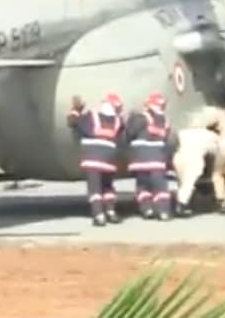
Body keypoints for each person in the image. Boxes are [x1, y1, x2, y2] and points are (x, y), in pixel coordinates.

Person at [68, 93, 125, 226]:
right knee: (107, 187)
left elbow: (72, 122)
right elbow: (121, 138)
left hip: (93, 159)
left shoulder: (92, 116)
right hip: (109, 161)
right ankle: (111, 212)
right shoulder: (118, 122)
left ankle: (99, 215)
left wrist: (76, 109)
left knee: (95, 189)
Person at [124, 92, 174, 221]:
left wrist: (131, 118)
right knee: (160, 187)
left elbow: (130, 133)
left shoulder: (141, 117)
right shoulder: (165, 121)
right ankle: (163, 211)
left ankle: (147, 209)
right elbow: (165, 140)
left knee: (142, 186)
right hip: (157, 160)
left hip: (140, 160)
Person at [171, 107, 220, 217]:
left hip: (178, 157)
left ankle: (181, 201)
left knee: (183, 182)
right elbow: (215, 150)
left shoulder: (182, 132)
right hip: (194, 159)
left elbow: (174, 143)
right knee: (189, 182)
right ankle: (181, 206)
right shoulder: (209, 135)